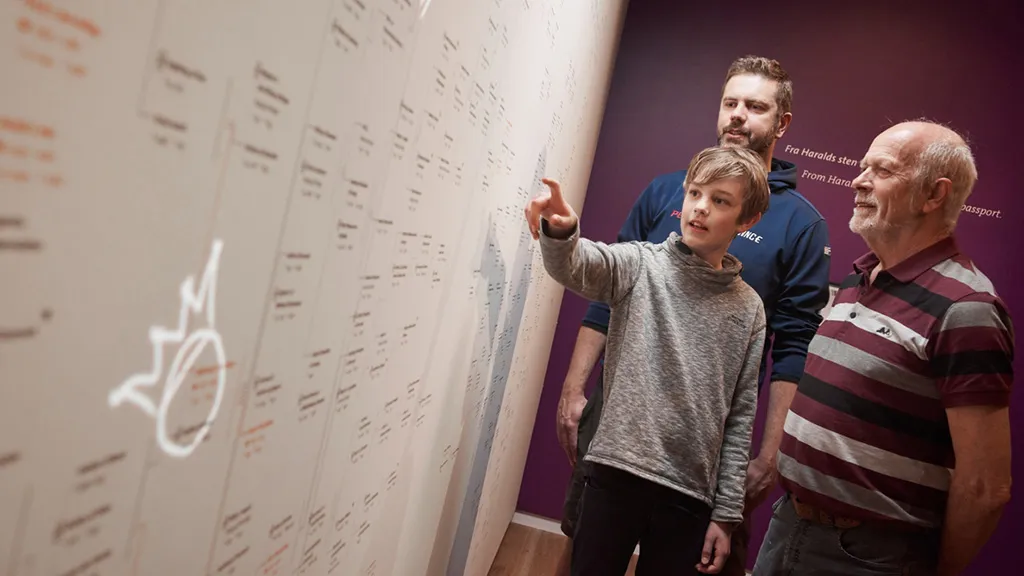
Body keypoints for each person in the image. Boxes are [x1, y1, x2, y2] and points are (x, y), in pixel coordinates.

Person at [556, 55, 832, 575]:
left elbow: (793, 348)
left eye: (755, 106)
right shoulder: (666, 190)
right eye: (730, 102)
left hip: (704, 438)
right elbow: (604, 289)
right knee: (584, 539)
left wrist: (769, 453)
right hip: (621, 415)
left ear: (782, 124)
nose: (738, 115)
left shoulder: (801, 225)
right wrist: (575, 389)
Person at [752, 120, 1015, 576]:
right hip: (790, 525)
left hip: (870, 556)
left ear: (934, 194)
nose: (858, 180)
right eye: (862, 166)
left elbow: (985, 487)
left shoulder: (967, 308)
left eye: (883, 170)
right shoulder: (858, 279)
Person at [526, 145, 770, 575]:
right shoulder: (640, 264)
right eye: (695, 193)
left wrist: (726, 514)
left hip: (690, 492)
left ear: (747, 220)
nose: (700, 207)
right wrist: (562, 232)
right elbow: (578, 265)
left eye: (720, 200)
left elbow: (740, 416)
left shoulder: (749, 309)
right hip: (615, 471)